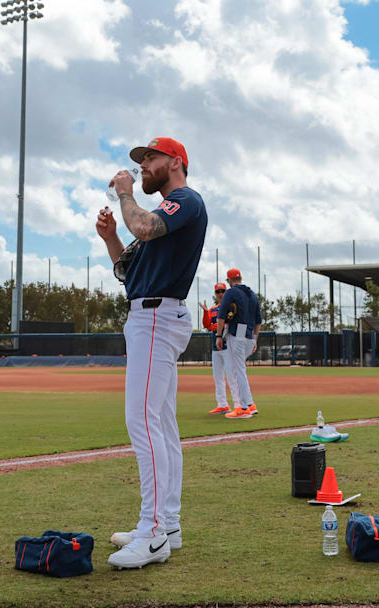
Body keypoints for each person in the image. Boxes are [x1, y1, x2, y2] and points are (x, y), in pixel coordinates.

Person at [98, 137, 207, 568]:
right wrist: (110, 238)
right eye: (140, 161)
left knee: (142, 420)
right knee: (159, 422)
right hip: (150, 312)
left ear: (176, 162)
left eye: (151, 158)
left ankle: (154, 532)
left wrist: (125, 193)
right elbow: (128, 270)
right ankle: (169, 524)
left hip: (158, 317)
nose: (143, 165)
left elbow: (143, 227)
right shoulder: (163, 212)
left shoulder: (185, 201)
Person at [217, 268, 262, 419]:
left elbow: (221, 315)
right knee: (236, 370)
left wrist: (218, 335)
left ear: (229, 280)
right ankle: (250, 404)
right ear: (240, 278)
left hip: (238, 332)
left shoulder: (231, 292)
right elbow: (258, 321)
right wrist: (255, 339)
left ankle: (242, 408)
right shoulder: (252, 294)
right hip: (249, 334)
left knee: (237, 371)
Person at [200, 282, 240, 415]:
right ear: (215, 294)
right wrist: (206, 312)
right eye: (218, 292)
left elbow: (225, 325)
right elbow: (207, 325)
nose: (221, 294)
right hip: (216, 347)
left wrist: (216, 326)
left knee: (232, 376)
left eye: (223, 291)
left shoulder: (231, 307)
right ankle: (222, 404)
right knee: (218, 377)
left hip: (228, 346)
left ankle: (239, 405)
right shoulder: (212, 310)